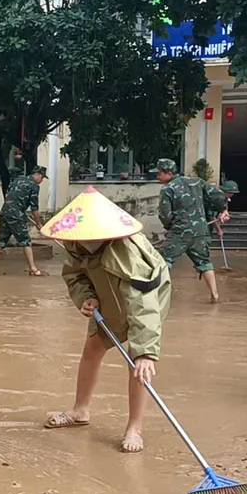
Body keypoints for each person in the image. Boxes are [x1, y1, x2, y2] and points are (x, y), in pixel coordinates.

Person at [41, 187, 172, 454]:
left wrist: (147, 352)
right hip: (106, 294)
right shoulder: (76, 243)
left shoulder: (127, 254)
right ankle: (80, 411)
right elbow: (75, 276)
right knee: (92, 348)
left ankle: (134, 428)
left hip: (144, 298)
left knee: (137, 363)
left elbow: (143, 305)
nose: (72, 243)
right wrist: (86, 298)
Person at [155, 159, 229, 304]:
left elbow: (164, 215)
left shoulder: (167, 189)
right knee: (205, 262)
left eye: (159, 174)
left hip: (179, 232)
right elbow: (217, 194)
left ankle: (158, 298)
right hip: (201, 230)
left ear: (169, 173)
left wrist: (170, 228)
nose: (157, 177)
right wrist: (223, 209)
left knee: (163, 261)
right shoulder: (197, 182)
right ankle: (215, 296)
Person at [0, 166, 48, 276]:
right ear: (36, 175)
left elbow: (7, 195)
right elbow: (35, 208)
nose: (42, 181)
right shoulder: (34, 186)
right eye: (42, 178)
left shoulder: (18, 180)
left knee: (1, 241)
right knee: (26, 241)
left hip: (5, 212)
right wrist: (38, 224)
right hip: (16, 215)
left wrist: (16, 207)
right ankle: (33, 269)